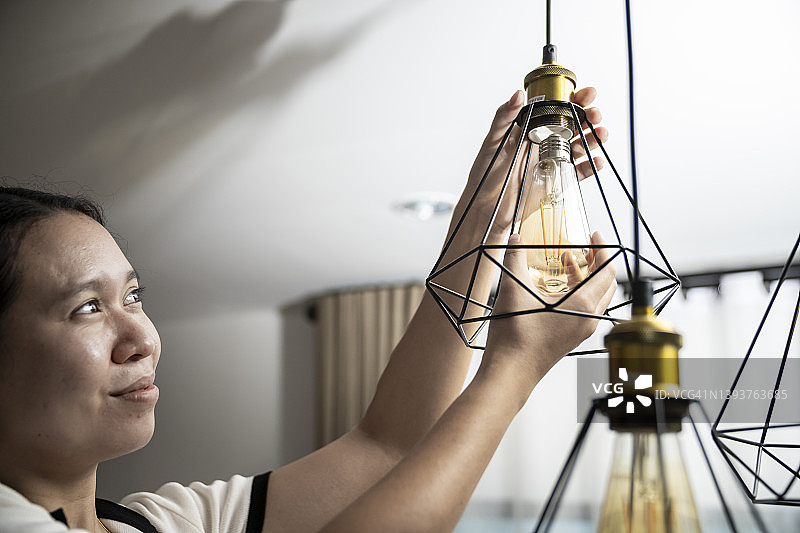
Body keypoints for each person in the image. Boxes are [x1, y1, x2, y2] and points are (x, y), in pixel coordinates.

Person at [0, 88, 615, 533]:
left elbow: (388, 447)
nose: (141, 338)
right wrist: (517, 363)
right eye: (87, 307)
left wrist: (484, 218)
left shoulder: (164, 525)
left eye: (133, 296)